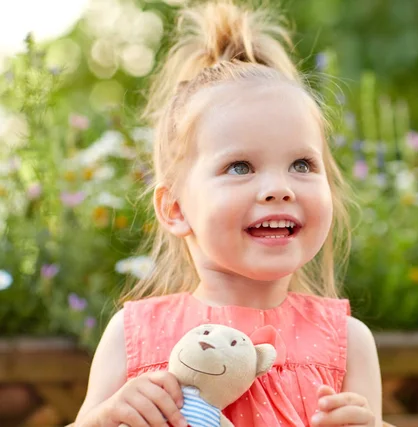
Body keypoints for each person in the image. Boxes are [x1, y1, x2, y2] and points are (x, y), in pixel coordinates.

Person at [74, 0, 382, 426]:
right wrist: (105, 419)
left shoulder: (348, 342)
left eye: (302, 165)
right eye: (240, 167)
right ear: (175, 208)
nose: (279, 188)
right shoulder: (133, 335)